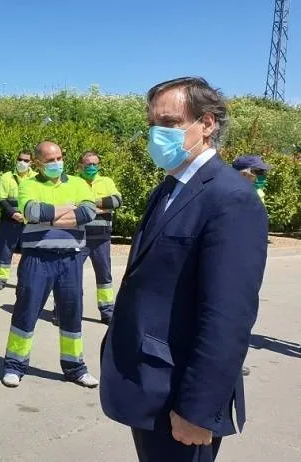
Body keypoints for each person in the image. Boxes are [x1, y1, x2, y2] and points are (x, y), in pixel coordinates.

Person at [100, 77, 267, 462]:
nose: (157, 134)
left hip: (181, 397)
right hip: (150, 385)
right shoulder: (170, 188)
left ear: (206, 124)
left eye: (170, 123)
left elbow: (227, 318)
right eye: (152, 124)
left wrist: (198, 409)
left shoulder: (230, 198)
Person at [1, 141, 99, 389]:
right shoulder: (28, 185)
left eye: (59, 158)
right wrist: (68, 209)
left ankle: (75, 367)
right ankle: (14, 365)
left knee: (71, 314)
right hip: (37, 259)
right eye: (50, 160)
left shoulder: (78, 183)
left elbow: (88, 213)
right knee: (26, 310)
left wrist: (51, 217)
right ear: (38, 163)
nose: (56, 163)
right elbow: (33, 212)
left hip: (71, 259)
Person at [232, 154, 273, 378]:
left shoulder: (255, 194)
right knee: (232, 316)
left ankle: (234, 360)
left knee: (243, 315)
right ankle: (228, 363)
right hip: (236, 265)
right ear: (243, 173)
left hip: (249, 264)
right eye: (258, 173)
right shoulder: (236, 195)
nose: (262, 177)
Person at [76, 151, 122, 324]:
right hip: (78, 237)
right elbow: (71, 205)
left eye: (95, 164)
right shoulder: (73, 182)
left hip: (101, 238)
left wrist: (89, 203)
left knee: (104, 276)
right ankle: (66, 310)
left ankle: (107, 311)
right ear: (80, 165)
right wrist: (103, 206)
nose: (92, 167)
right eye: (88, 164)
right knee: (72, 276)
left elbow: (116, 201)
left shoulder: (107, 181)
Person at [0, 150, 37, 290]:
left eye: (25, 160)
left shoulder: (36, 178)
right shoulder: (6, 177)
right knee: (5, 250)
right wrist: (13, 213)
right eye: (20, 159)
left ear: (31, 162)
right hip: (9, 220)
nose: (22, 162)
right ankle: (0, 279)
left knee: (29, 252)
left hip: (29, 221)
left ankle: (25, 280)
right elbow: (1, 199)